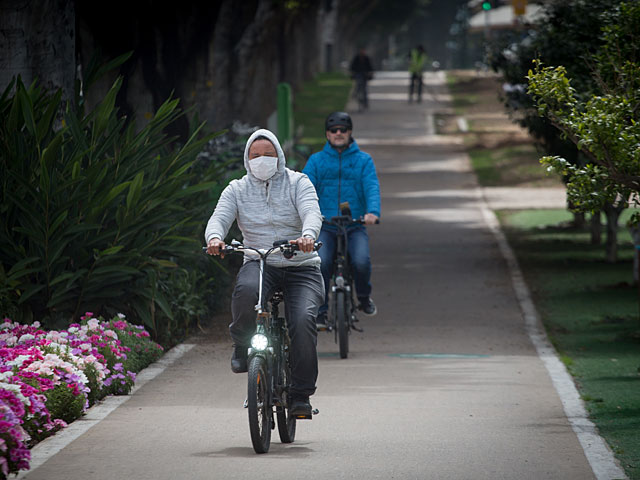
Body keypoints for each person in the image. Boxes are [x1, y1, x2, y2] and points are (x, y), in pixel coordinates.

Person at [205, 128, 324, 416]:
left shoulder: (299, 182)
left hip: (301, 265)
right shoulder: (236, 189)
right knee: (245, 292)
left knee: (304, 320)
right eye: (255, 155)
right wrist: (214, 239)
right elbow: (219, 218)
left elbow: (311, 211)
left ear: (279, 157)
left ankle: (300, 395)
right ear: (247, 159)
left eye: (268, 155)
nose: (261, 160)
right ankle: (241, 343)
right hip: (259, 261)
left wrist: (307, 235)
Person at [302, 112, 380, 331]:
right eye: (333, 130)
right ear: (327, 134)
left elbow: (371, 186)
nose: (338, 134)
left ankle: (364, 298)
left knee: (361, 261)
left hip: (353, 225)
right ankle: (321, 311)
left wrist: (372, 212)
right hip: (325, 225)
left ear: (350, 133)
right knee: (321, 263)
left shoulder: (363, 160)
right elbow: (304, 188)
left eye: (342, 130)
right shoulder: (316, 161)